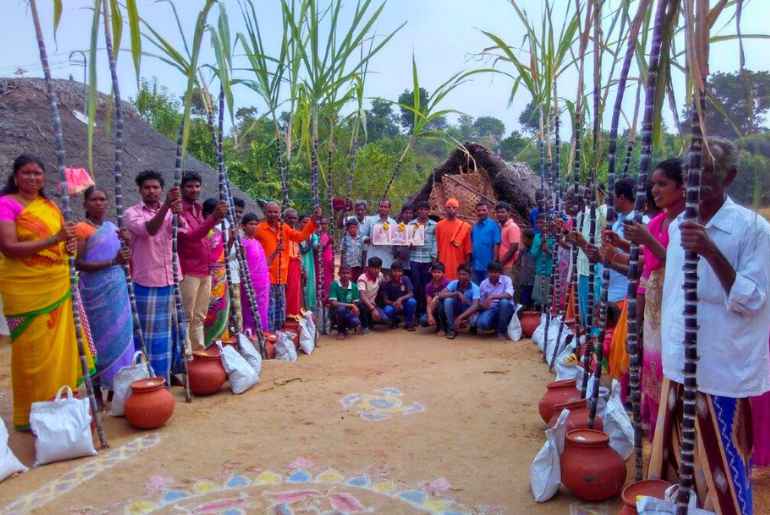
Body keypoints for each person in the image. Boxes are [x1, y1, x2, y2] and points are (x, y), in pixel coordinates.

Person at [648, 138, 770, 515]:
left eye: (707, 177)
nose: (696, 186)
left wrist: (711, 251)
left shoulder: (753, 230)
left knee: (725, 473)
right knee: (681, 471)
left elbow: (752, 301)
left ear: (729, 177)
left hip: (722, 372)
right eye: (690, 177)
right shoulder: (679, 224)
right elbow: (674, 299)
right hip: (678, 366)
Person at [0, 154, 95, 430]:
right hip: (26, 290)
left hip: (58, 285)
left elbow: (64, 243)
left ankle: (60, 408)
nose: (32, 178)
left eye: (37, 174)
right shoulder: (6, 205)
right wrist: (54, 240)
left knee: (62, 350)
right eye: (27, 173)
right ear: (16, 176)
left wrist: (68, 246)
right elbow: (8, 247)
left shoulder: (50, 205)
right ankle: (31, 416)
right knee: (32, 354)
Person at [623, 158, 684, 438]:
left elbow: (682, 267)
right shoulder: (658, 222)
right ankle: (659, 435)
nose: (655, 191)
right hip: (653, 310)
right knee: (652, 367)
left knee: (671, 370)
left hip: (677, 308)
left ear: (683, 187)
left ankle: (672, 433)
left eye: (663, 184)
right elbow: (648, 272)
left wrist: (647, 240)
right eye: (653, 185)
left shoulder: (687, 225)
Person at [124, 170, 186, 383]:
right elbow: (148, 230)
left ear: (161, 189)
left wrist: (177, 212)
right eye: (147, 188)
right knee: (150, 336)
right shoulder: (132, 213)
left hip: (172, 278)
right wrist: (168, 207)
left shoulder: (171, 211)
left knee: (173, 331)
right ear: (140, 190)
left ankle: (168, 372)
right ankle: (151, 378)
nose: (151, 191)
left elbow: (182, 231)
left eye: (155, 187)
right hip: (148, 280)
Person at [74, 187, 135, 400]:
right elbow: (78, 263)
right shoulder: (81, 229)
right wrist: (111, 262)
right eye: (94, 200)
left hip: (117, 289)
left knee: (120, 336)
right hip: (93, 292)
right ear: (85, 204)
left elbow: (124, 257)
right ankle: (97, 390)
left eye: (102, 199)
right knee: (97, 340)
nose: (99, 203)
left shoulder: (113, 228)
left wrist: (127, 242)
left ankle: (115, 389)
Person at [177, 172, 227, 350]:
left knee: (200, 315)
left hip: (205, 271)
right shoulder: (178, 211)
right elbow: (191, 237)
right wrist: (213, 218)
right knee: (187, 315)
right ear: (182, 189)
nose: (194, 189)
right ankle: (186, 355)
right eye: (189, 186)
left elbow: (204, 237)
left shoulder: (198, 209)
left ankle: (198, 351)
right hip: (188, 270)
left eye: (197, 186)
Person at [251, 202, 318, 331]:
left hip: (282, 276)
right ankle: (268, 333)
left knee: (279, 310)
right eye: (270, 212)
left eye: (275, 212)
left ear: (279, 213)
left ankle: (278, 335)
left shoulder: (284, 228)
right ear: (265, 212)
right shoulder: (259, 229)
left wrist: (313, 221)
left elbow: (300, 237)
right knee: (268, 309)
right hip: (266, 276)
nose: (273, 214)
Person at [200, 198, 230, 346]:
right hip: (209, 276)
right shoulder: (205, 230)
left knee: (220, 309)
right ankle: (205, 344)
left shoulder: (219, 231)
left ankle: (213, 342)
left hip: (220, 275)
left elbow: (224, 253)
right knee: (209, 311)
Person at [240, 213, 270, 334]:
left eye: (256, 224)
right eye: (251, 224)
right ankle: (250, 334)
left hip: (263, 283)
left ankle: (262, 333)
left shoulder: (257, 243)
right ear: (243, 226)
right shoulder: (242, 243)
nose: (254, 227)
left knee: (262, 309)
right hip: (249, 283)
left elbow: (264, 263)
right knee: (249, 310)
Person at [408, 201, 437, 316]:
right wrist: (410, 244)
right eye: (420, 209)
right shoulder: (411, 225)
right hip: (414, 259)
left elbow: (435, 243)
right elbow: (406, 241)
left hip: (427, 260)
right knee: (415, 285)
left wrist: (433, 262)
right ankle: (415, 312)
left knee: (426, 286)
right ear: (417, 211)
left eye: (425, 209)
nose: (423, 211)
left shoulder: (434, 225)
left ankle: (424, 311)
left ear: (429, 211)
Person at [438, 264, 480, 340]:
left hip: (468, 312)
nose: (461, 276)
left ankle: (471, 326)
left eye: (464, 274)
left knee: (474, 321)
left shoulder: (475, 288)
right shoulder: (454, 283)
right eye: (460, 274)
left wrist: (460, 318)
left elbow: (475, 305)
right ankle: (451, 328)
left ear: (470, 275)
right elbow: (440, 294)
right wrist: (456, 293)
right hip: (456, 309)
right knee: (448, 300)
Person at [475, 261, 515, 339]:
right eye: (491, 272)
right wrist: (483, 305)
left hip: (506, 308)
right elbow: (481, 302)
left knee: (504, 302)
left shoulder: (507, 279)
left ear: (500, 273)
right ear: (487, 272)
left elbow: (509, 295)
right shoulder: (483, 283)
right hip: (491, 309)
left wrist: (492, 297)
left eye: (496, 272)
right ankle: (497, 327)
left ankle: (501, 332)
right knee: (482, 323)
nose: (493, 274)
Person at [435, 198, 472, 280]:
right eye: (449, 207)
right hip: (443, 262)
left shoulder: (465, 226)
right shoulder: (439, 226)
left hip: (459, 262)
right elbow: (437, 246)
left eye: (454, 207)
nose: (451, 210)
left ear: (458, 209)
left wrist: (467, 266)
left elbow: (468, 248)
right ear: (445, 209)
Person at [379, 261, 417, 330]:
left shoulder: (405, 279)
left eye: (399, 271)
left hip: (404, 303)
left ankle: (409, 323)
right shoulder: (386, 282)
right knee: (387, 310)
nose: (397, 273)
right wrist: (395, 303)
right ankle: (394, 321)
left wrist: (400, 299)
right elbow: (385, 300)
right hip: (392, 304)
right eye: (394, 271)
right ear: (391, 271)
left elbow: (411, 293)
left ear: (402, 272)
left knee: (412, 301)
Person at [361, 199, 397, 273]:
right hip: (372, 258)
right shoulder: (370, 220)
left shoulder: (393, 223)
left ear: (389, 209)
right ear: (378, 207)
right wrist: (368, 240)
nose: (383, 208)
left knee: (385, 283)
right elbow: (361, 236)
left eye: (385, 207)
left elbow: (396, 239)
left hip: (387, 260)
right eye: (381, 206)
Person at [470, 200, 501, 285]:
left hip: (488, 266)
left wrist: (494, 263)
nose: (481, 212)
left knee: (488, 289)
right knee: (476, 290)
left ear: (488, 211)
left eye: (484, 210)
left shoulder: (493, 225)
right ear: (476, 211)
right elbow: (473, 244)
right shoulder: (474, 227)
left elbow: (496, 244)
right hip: (475, 265)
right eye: (479, 210)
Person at [328, 265, 361, 339]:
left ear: (351, 275)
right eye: (343, 273)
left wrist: (355, 309)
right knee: (341, 309)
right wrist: (351, 305)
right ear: (339, 274)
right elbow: (334, 303)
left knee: (355, 321)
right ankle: (341, 331)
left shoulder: (354, 286)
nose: (345, 275)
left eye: (347, 273)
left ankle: (346, 328)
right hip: (335, 312)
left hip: (348, 312)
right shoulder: (334, 285)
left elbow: (355, 302)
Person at [530, 215, 555, 308]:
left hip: (549, 272)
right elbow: (533, 254)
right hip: (539, 271)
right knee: (538, 299)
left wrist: (547, 250)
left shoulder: (554, 238)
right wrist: (541, 245)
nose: (540, 225)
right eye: (538, 223)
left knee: (548, 299)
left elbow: (557, 256)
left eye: (542, 223)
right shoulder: (536, 237)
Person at [283, 208, 304, 317]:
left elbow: (298, 250)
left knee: (295, 291)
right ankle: (286, 314)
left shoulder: (297, 233)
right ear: (285, 218)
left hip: (295, 264)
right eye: (289, 218)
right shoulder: (281, 231)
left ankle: (293, 313)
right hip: (285, 263)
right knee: (286, 291)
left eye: (294, 218)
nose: (292, 220)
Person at [357, 256, 385, 331]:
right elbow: (362, 296)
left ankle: (370, 320)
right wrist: (372, 309)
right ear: (368, 268)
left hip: (374, 303)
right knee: (361, 305)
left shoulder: (380, 275)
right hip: (363, 303)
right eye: (374, 268)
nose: (376, 270)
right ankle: (364, 326)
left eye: (378, 268)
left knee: (385, 319)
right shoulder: (362, 278)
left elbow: (383, 286)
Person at [299, 214, 320, 312]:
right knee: (300, 287)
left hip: (310, 265)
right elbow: (301, 250)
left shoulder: (314, 236)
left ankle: (310, 310)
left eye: (308, 222)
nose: (306, 224)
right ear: (300, 223)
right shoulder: (296, 234)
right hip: (299, 263)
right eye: (304, 222)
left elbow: (316, 246)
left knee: (310, 286)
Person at [420, 262, 449, 331]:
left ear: (443, 273)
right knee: (423, 321)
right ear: (431, 273)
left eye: (439, 272)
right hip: (434, 307)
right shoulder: (429, 286)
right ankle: (437, 323)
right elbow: (428, 303)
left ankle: (443, 326)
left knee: (440, 303)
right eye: (434, 272)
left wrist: (437, 297)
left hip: (445, 308)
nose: (436, 274)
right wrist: (430, 316)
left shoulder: (447, 283)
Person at [496, 201, 520, 281]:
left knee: (507, 289)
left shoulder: (512, 227)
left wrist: (501, 263)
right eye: (498, 212)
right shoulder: (501, 226)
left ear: (509, 213)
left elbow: (514, 247)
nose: (500, 214)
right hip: (501, 264)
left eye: (503, 212)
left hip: (509, 266)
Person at [514, 229, 536, 309]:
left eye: (523, 238)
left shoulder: (534, 251)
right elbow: (518, 264)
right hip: (523, 281)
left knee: (530, 303)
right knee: (523, 302)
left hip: (532, 281)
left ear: (529, 239)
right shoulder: (523, 251)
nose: (522, 240)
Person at [318, 217, 334, 303]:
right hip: (321, 261)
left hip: (329, 260)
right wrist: (328, 242)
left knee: (328, 279)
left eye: (325, 224)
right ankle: (322, 298)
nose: (324, 226)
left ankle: (328, 298)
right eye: (322, 224)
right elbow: (320, 248)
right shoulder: (318, 235)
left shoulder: (328, 234)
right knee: (322, 278)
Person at [394, 205, 414, 274]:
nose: (408, 215)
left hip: (412, 260)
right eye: (406, 213)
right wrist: (398, 252)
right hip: (399, 261)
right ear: (402, 214)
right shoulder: (396, 227)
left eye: (410, 213)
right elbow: (394, 244)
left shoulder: (416, 227)